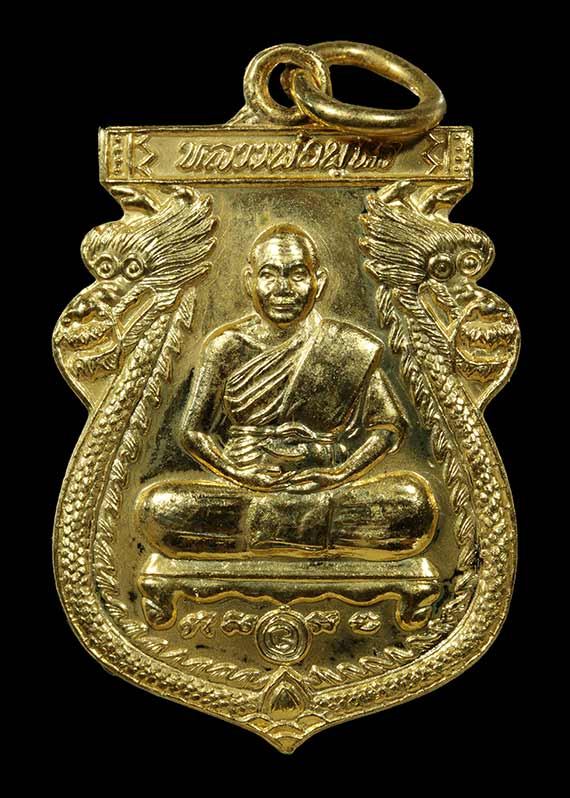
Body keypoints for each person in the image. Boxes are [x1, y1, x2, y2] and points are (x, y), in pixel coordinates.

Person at [138, 224, 437, 558]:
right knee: (159, 507)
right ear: (249, 281)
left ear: (319, 282)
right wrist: (239, 474)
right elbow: (193, 432)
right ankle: (305, 533)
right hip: (246, 488)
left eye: (297, 275)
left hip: (323, 486)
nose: (283, 289)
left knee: (413, 503)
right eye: (269, 275)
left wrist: (337, 474)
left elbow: (388, 428)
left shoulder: (348, 346)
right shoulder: (226, 346)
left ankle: (259, 535)